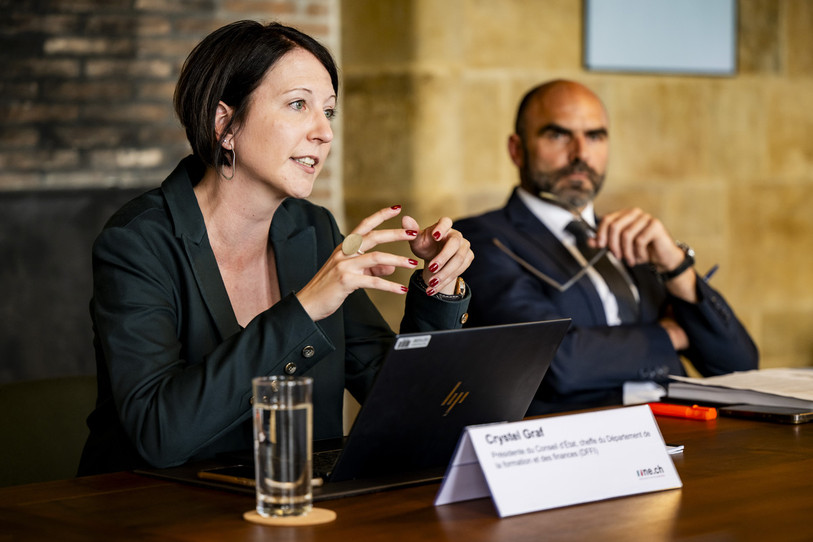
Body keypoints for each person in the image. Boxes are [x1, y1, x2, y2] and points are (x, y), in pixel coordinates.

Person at [78, 20, 473, 476]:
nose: (323, 132)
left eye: (328, 111)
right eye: (298, 105)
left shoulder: (314, 229)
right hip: (153, 514)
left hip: (295, 507)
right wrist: (305, 308)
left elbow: (405, 403)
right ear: (224, 123)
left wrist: (438, 288)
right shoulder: (137, 242)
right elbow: (160, 435)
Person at [454, 80, 757, 414]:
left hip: (681, 431)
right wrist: (671, 335)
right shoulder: (479, 239)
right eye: (557, 135)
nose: (581, 154)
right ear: (517, 149)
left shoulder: (633, 237)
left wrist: (677, 268)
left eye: (595, 136)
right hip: (573, 443)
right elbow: (555, 363)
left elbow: (738, 366)